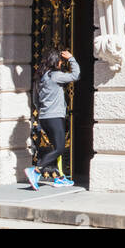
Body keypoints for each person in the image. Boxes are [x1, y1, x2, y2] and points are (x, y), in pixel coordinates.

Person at [26, 47, 80, 189]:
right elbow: (75, 75)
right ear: (56, 61)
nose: (62, 63)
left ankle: (59, 178)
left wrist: (42, 111)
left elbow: (35, 101)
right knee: (60, 148)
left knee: (56, 148)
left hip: (44, 118)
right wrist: (71, 58)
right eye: (61, 61)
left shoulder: (40, 77)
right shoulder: (55, 75)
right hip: (55, 117)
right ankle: (36, 170)